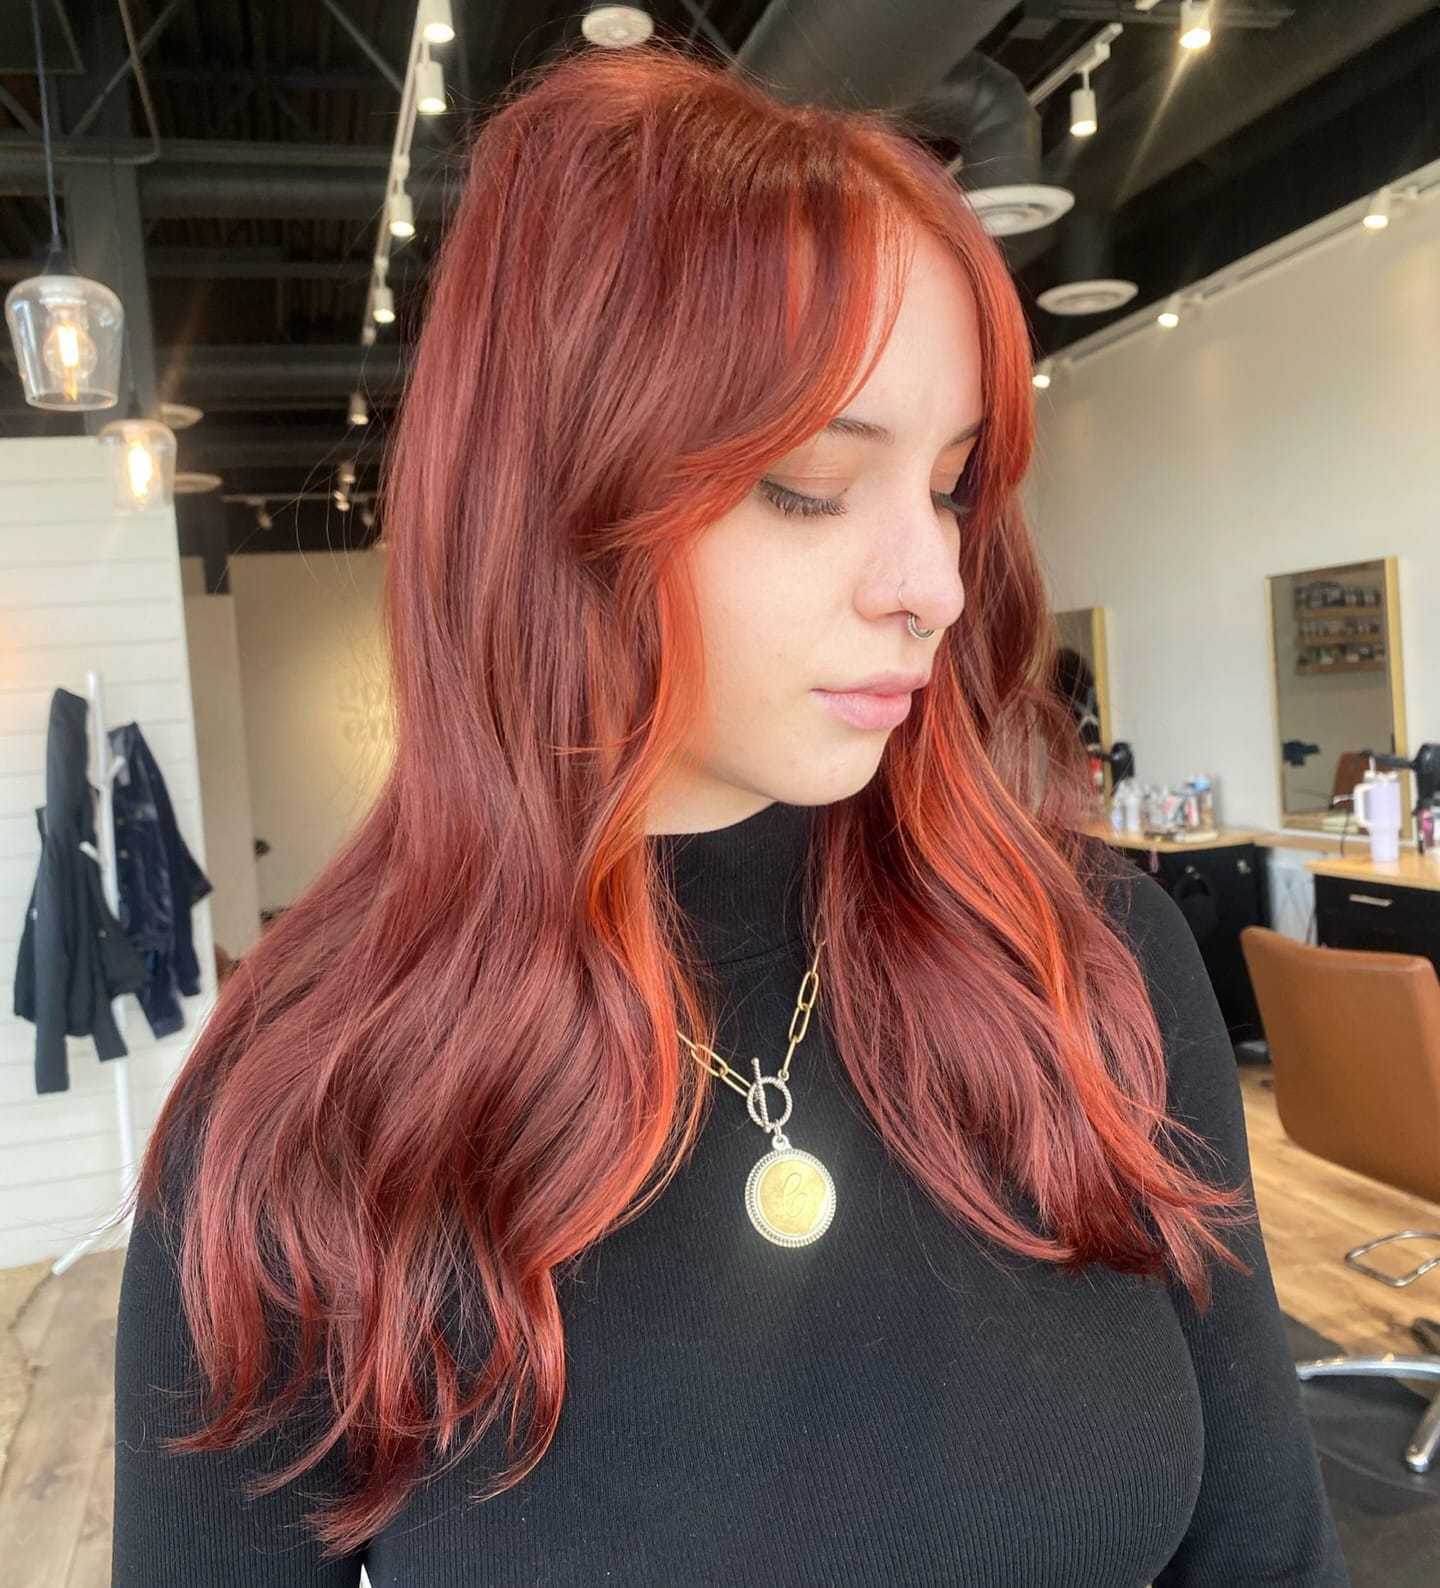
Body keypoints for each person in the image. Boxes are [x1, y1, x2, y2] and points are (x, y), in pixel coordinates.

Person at [110, 40, 1348, 1587]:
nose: (933, 585)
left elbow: (1267, 1562)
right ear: (558, 497)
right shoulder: (304, 1121)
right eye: (811, 485)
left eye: (955, 483)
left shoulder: (1096, 969)